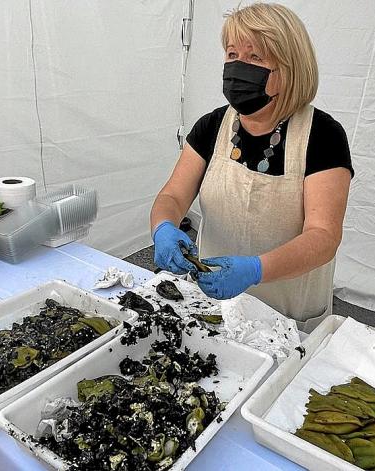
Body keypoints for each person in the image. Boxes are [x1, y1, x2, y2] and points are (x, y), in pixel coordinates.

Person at [150, 3, 353, 328]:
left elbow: (323, 236)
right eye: (232, 55)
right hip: (214, 302)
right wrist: (163, 227)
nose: (238, 67)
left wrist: (256, 270)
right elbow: (173, 196)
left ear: (290, 69)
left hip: (287, 314)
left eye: (255, 58)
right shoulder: (212, 126)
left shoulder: (322, 136)